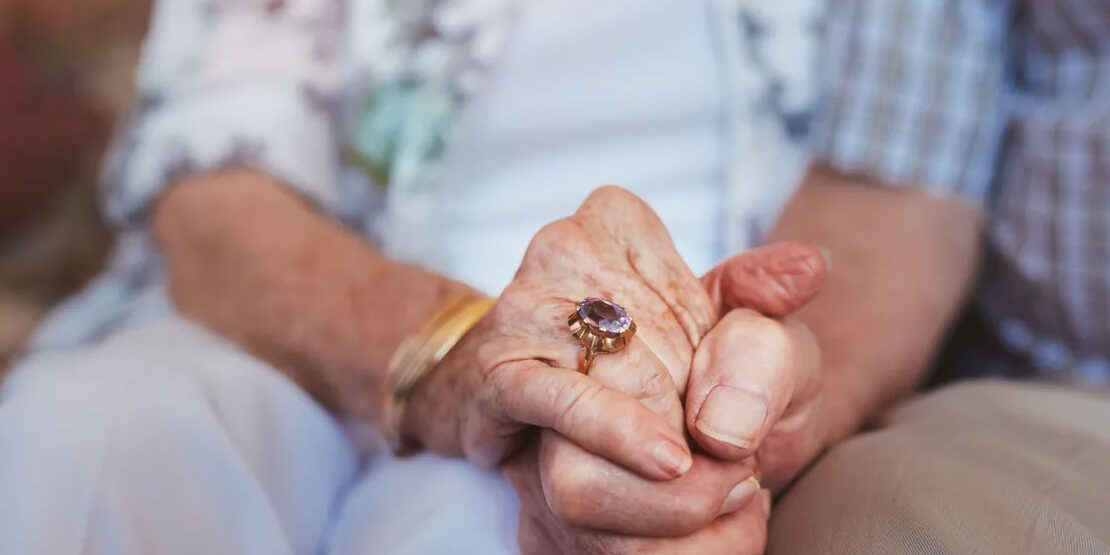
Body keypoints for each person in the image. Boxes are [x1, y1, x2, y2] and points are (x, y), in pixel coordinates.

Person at [3, 1, 1109, 555]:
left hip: (674, 355)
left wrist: (738, 412)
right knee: (97, 437)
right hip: (294, 327)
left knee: (480, 528)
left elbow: (889, 203)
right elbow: (215, 186)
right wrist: (453, 354)